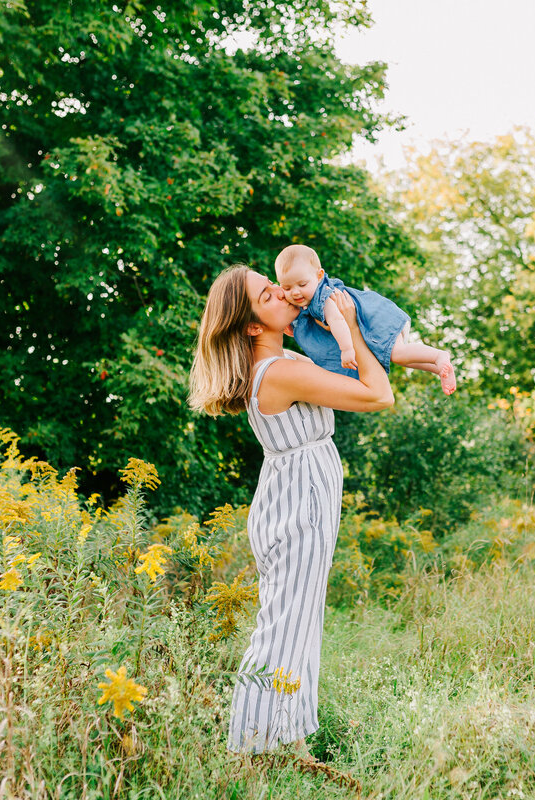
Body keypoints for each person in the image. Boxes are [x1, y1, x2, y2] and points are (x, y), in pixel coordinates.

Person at [188, 265, 394, 755]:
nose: (283, 293)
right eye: (268, 294)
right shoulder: (282, 371)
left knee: (297, 626)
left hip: (293, 497)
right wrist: (350, 324)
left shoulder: (282, 363)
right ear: (253, 325)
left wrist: (338, 328)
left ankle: (292, 748)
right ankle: (251, 750)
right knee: (283, 630)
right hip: (300, 503)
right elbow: (378, 393)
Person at [275, 243, 456, 394]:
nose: (295, 292)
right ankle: (439, 368)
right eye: (287, 288)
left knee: (398, 353)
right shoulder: (307, 300)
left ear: (319, 275)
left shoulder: (325, 298)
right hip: (368, 324)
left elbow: (338, 321)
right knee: (397, 358)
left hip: (375, 319)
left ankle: (439, 355)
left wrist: (347, 350)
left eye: (302, 284)